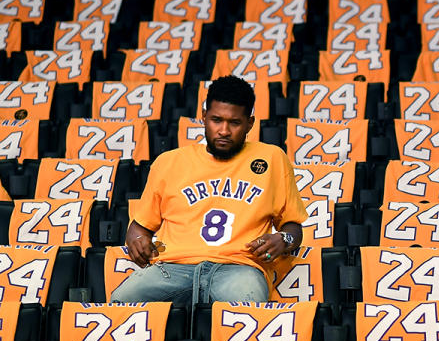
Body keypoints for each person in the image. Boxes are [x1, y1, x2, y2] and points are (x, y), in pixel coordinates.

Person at [110, 75, 307, 305]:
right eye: (216, 120)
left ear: (250, 124)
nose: (224, 130)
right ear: (203, 117)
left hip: (239, 269)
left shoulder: (272, 159)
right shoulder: (168, 162)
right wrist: (136, 240)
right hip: (172, 268)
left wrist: (282, 239)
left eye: (234, 123)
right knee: (122, 299)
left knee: (248, 306)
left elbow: (294, 227)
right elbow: (139, 227)